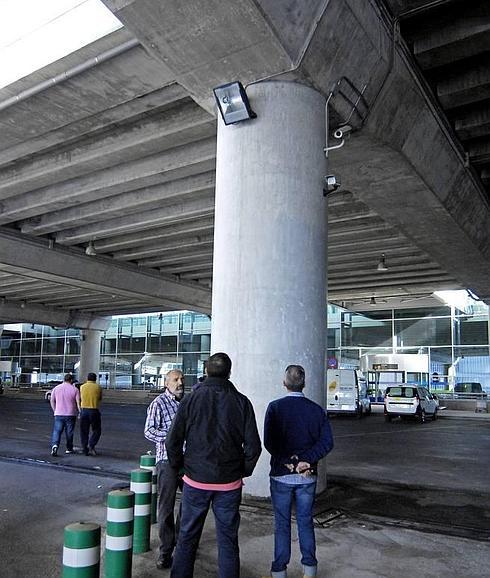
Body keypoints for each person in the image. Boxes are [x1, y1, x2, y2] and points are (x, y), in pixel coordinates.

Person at [166, 352, 262, 578]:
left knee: (187, 537)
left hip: (195, 480)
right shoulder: (242, 402)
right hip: (229, 483)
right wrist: (242, 471)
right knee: (228, 541)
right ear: (229, 373)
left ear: (207, 371)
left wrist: (180, 469)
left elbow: (173, 441)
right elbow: (254, 447)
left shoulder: (190, 399)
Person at [264, 365, 334, 578]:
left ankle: (279, 571)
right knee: (305, 521)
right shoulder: (316, 410)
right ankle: (310, 570)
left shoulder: (275, 407)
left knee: (282, 524)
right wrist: (306, 461)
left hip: (281, 475)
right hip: (307, 476)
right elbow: (327, 442)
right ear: (304, 383)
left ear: (284, 383)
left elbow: (270, 442)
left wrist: (289, 463)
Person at [144, 369, 185, 570]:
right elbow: (149, 431)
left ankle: (182, 543)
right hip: (167, 462)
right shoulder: (158, 403)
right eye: (176, 380)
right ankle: (166, 550)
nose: (180, 383)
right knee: (166, 508)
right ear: (166, 383)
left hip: (188, 463)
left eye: (182, 379)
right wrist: (171, 438)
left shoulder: (187, 403)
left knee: (190, 505)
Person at [49, 373, 81, 456]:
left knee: (57, 431)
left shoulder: (56, 388)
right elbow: (78, 403)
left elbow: (52, 400)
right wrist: (80, 412)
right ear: (71, 380)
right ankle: (69, 448)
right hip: (71, 414)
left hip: (58, 413)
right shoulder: (75, 390)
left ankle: (55, 445)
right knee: (69, 432)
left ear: (64, 379)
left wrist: (55, 410)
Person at [79, 372, 103, 456]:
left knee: (84, 431)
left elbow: (80, 397)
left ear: (87, 378)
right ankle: (91, 445)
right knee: (96, 430)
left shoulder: (82, 387)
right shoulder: (98, 387)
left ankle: (84, 448)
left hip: (84, 410)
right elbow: (100, 398)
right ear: (95, 379)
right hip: (94, 410)